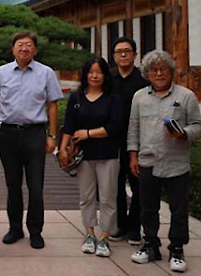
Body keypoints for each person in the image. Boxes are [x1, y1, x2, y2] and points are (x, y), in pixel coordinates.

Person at [128, 50, 201, 273]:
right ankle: (150, 244)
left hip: (176, 161)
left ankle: (177, 249)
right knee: (148, 207)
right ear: (147, 74)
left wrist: (182, 134)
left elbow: (197, 126)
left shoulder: (186, 95)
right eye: (153, 70)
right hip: (148, 160)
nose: (159, 73)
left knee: (179, 209)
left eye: (162, 69)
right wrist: (133, 155)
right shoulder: (139, 96)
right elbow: (133, 128)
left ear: (170, 72)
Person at [0, 30, 63, 249]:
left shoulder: (46, 73)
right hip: (8, 134)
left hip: (35, 134)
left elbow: (52, 105)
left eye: (28, 45)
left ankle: (35, 230)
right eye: (20, 44)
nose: (24, 48)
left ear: (35, 49)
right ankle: (14, 228)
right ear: (13, 49)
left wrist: (52, 136)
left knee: (35, 185)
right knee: (12, 185)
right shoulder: (1, 73)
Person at [59, 56, 121, 257]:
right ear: (85, 74)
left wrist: (87, 133)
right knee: (86, 197)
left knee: (108, 197)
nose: (95, 75)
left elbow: (114, 127)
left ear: (105, 75)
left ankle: (104, 237)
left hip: (108, 154)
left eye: (99, 72)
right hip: (83, 155)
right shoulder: (77, 97)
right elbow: (68, 125)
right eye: (91, 71)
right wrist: (62, 148)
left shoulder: (113, 98)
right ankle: (89, 233)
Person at [110, 37, 150, 245]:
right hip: (112, 141)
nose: (123, 55)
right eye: (119, 52)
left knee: (138, 186)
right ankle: (121, 225)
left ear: (135, 54)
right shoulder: (109, 79)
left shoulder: (144, 80)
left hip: (138, 141)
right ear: (114, 56)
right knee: (115, 186)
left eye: (127, 51)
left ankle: (135, 227)